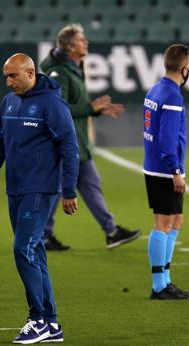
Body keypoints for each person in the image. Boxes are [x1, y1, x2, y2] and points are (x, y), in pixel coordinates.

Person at [0, 53, 79, 344]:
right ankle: (51, 323)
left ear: (31, 73)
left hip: (41, 188)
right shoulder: (8, 102)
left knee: (23, 248)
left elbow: (69, 147)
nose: (9, 82)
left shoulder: (52, 104)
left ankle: (37, 319)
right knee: (34, 251)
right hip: (16, 188)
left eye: (14, 76)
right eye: (6, 77)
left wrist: (69, 190)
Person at [40, 23, 140, 251]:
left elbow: (75, 107)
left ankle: (112, 231)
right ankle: (42, 236)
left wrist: (94, 110)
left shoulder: (72, 68)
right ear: (70, 45)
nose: (87, 42)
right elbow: (58, 109)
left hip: (79, 145)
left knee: (91, 186)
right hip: (64, 143)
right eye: (82, 39)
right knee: (56, 191)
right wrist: (89, 108)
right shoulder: (60, 73)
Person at [142, 44, 189, 300]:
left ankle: (166, 280)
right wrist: (175, 169)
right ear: (185, 67)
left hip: (155, 166)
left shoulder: (156, 89)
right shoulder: (173, 96)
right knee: (162, 223)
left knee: (175, 221)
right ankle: (159, 284)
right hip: (164, 170)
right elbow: (166, 138)